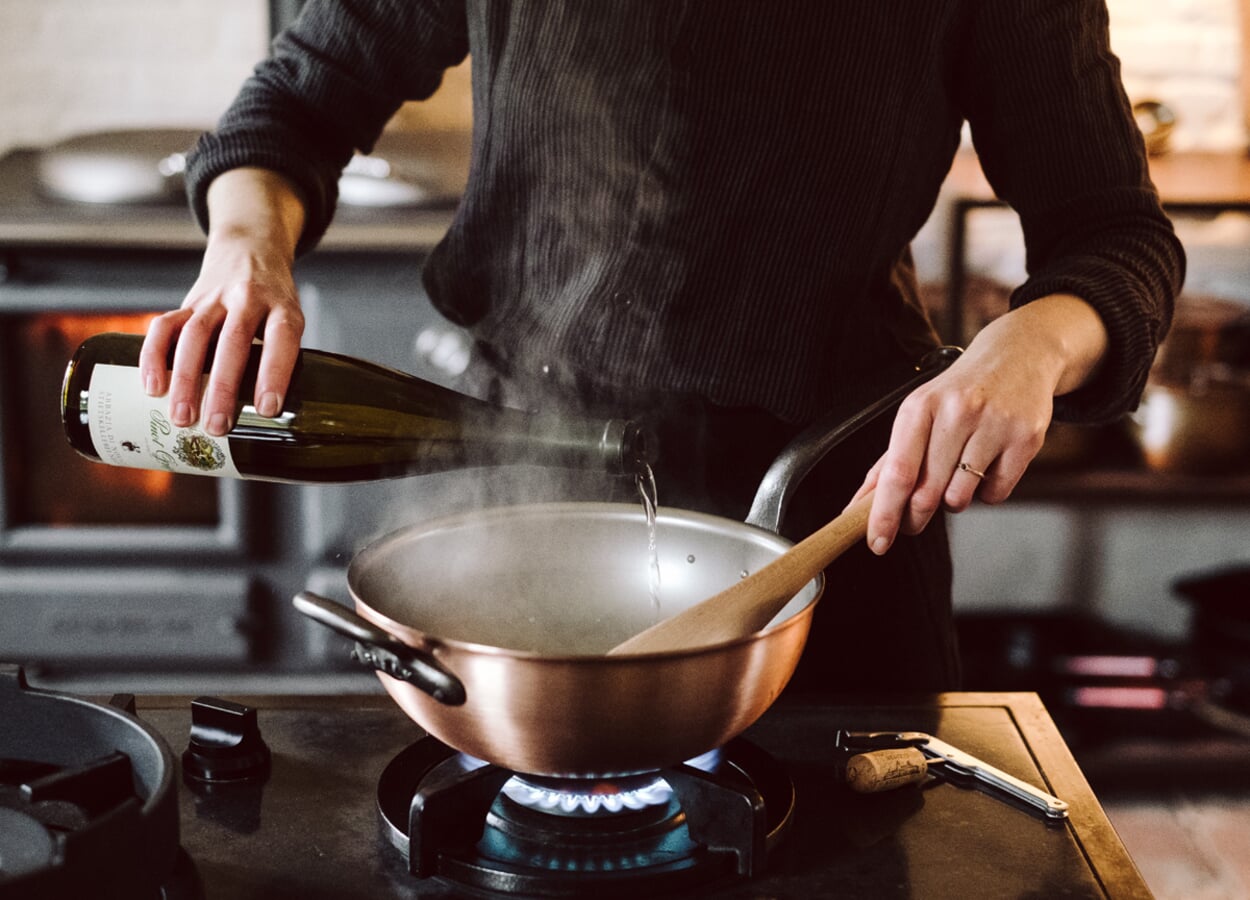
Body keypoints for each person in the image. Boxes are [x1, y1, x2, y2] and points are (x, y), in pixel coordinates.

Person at [140, 1, 1184, 693]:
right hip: (523, 475)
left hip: (834, 497)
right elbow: (290, 104)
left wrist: (1035, 339)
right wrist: (244, 245)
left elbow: (1114, 232)